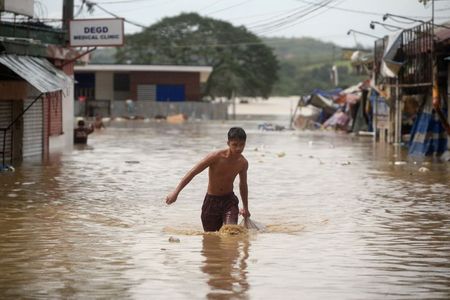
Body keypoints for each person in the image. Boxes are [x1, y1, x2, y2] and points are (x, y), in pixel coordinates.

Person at [165, 127, 251, 232]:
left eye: (242, 145)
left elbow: (243, 185)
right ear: (228, 143)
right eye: (235, 145)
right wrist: (176, 192)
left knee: (231, 232)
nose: (238, 148)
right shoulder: (215, 157)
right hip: (211, 201)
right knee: (211, 238)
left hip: (229, 201)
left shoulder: (243, 163)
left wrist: (245, 207)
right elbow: (193, 172)